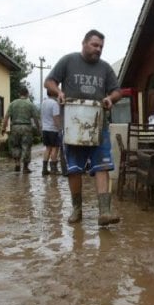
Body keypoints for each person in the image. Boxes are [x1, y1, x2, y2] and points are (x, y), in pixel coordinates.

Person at [44, 29, 122, 226]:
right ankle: (77, 209)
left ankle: (104, 211)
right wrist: (59, 92)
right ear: (84, 43)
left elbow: (117, 91)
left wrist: (109, 98)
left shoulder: (105, 68)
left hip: (98, 123)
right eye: (95, 45)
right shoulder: (68, 61)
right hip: (73, 125)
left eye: (101, 47)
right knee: (74, 169)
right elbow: (49, 82)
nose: (98, 49)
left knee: (102, 166)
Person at [1, 86, 40, 173]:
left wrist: (3, 128)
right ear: (27, 94)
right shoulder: (30, 104)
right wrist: (38, 129)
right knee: (26, 146)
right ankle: (25, 167)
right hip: (26, 128)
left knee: (15, 145)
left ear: (19, 94)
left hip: (15, 127)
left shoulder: (13, 103)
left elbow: (6, 117)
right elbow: (36, 118)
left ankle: (17, 164)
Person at [40, 88, 62, 176]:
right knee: (55, 149)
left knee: (47, 148)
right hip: (53, 129)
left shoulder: (43, 102)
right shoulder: (54, 104)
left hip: (45, 129)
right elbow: (56, 117)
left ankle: (44, 169)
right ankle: (54, 169)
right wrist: (60, 128)